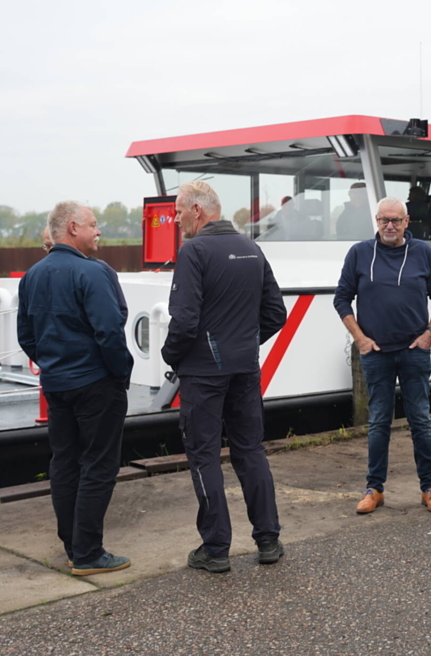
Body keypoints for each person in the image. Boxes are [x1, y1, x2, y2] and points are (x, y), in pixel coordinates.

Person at [162, 180, 288, 573]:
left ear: (198, 211)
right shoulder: (253, 248)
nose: (177, 218)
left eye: (180, 211)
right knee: (250, 450)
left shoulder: (194, 251)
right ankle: (268, 540)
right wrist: (244, 344)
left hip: (203, 372)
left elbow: (184, 321)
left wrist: (170, 356)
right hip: (245, 369)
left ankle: (215, 548)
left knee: (204, 456)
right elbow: (275, 314)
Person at [17, 202, 134, 575]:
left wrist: (53, 362)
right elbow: (110, 331)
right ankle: (88, 553)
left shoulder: (32, 275)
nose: (99, 231)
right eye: (94, 225)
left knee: (64, 463)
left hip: (57, 384)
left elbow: (27, 336)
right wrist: (120, 373)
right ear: (72, 228)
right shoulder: (92, 273)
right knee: (98, 466)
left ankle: (72, 546)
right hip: (96, 384)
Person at [333, 197, 431, 514]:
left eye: (396, 220)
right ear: (376, 220)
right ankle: (374, 489)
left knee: (421, 422)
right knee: (378, 423)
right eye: (384, 220)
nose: (390, 226)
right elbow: (341, 299)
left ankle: (429, 489)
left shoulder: (423, 253)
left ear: (407, 221)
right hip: (376, 353)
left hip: (414, 352)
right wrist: (360, 338)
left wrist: (430, 333)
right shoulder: (359, 253)